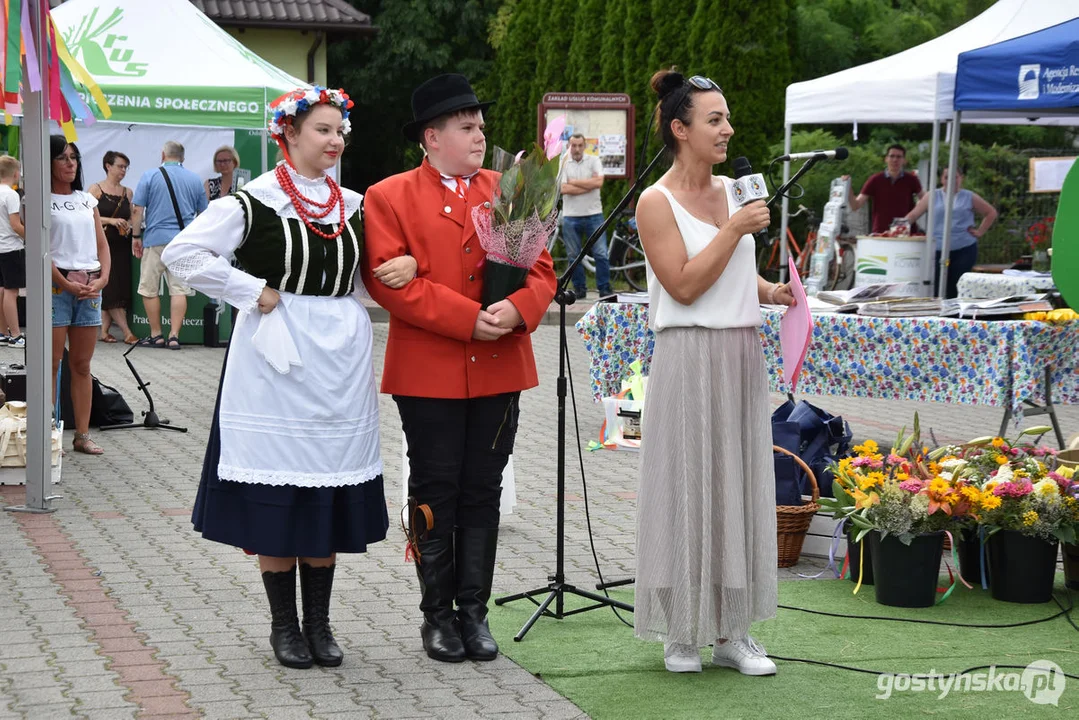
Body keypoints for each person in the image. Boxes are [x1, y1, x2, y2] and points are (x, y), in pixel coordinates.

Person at [162, 86, 417, 670]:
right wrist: (252, 292)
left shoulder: (355, 205)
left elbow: (369, 276)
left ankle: (320, 625)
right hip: (275, 357)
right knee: (278, 492)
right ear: (289, 134)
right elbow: (184, 254)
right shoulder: (251, 202)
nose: (335, 141)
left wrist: (406, 266)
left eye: (339, 131)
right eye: (323, 130)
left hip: (338, 360)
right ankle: (285, 627)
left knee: (325, 486)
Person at [363, 73, 557, 664]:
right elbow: (389, 283)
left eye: (480, 126)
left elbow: (543, 271)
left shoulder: (509, 187)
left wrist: (519, 308)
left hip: (499, 366)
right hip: (430, 372)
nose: (480, 136)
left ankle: (475, 614)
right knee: (434, 491)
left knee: (483, 489)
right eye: (467, 127)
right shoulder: (388, 195)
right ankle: (437, 617)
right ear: (432, 136)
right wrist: (470, 318)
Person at [632, 70, 795, 675]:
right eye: (714, 120)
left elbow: (726, 270)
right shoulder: (655, 201)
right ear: (680, 129)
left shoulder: (736, 188)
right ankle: (681, 634)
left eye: (726, 117)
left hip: (739, 354)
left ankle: (733, 632)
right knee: (684, 484)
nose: (727, 129)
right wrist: (733, 228)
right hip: (687, 354)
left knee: (737, 486)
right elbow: (683, 282)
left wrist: (769, 289)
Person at [49, 136, 111, 456]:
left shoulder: (87, 200)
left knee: (82, 365)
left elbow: (102, 244)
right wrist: (63, 281)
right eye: (62, 158)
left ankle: (82, 435)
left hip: (89, 288)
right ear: (49, 162)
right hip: (57, 288)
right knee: (53, 363)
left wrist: (102, 279)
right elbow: (41, 251)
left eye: (73, 157)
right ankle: (48, 434)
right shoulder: (39, 200)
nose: (70, 163)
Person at [130, 141, 208, 350]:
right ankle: (174, 336)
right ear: (182, 157)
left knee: (149, 288)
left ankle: (156, 334)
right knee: (179, 289)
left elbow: (137, 210)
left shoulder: (149, 176)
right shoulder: (194, 180)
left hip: (155, 239)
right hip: (183, 242)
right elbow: (204, 214)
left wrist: (136, 236)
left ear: (163, 155)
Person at [905, 165, 998, 299]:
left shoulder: (968, 196)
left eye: (955, 177)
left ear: (961, 179)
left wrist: (980, 232)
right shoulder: (932, 195)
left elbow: (990, 212)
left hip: (963, 248)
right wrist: (898, 226)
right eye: (947, 177)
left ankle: (957, 316)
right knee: (936, 285)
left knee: (958, 286)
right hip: (937, 249)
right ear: (942, 179)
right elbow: (914, 215)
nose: (951, 181)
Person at [89, 151, 138, 344]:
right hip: (102, 245)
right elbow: (85, 215)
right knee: (110, 287)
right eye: (120, 166)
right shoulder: (96, 189)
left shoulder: (128, 192)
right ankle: (127, 332)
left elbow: (132, 216)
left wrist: (128, 226)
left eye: (126, 167)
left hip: (121, 245)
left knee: (117, 288)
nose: (123, 171)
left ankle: (104, 332)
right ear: (108, 166)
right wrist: (111, 220)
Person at [559, 133, 612, 298]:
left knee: (601, 253)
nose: (576, 149)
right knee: (573, 256)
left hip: (594, 214)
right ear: (569, 146)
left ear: (584, 146)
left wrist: (574, 182)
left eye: (579, 145)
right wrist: (588, 185)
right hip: (571, 216)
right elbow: (562, 189)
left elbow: (599, 183)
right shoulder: (563, 162)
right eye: (573, 145)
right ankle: (579, 289)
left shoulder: (594, 161)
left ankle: (604, 288)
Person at [845, 144, 925, 234]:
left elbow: (925, 201)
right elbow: (856, 205)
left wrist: (914, 215)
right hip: (881, 233)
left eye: (899, 157)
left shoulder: (912, 179)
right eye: (892, 156)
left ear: (904, 161)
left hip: (906, 233)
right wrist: (848, 187)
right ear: (886, 159)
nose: (895, 160)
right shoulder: (875, 180)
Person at [0, 156, 25, 346]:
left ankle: (2, 332)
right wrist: (34, 238)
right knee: (11, 291)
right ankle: (16, 335)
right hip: (11, 247)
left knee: (1, 290)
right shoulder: (11, 195)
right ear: (15, 174)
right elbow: (16, 225)